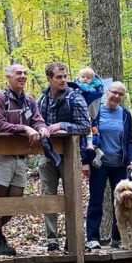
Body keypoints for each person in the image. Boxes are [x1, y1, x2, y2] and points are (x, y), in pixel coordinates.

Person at [0, 63, 49, 256]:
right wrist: (24, 129)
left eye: (25, 73)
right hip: (0, 155)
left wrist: (42, 127)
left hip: (20, 157)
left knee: (15, 202)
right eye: (19, 73)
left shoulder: (29, 101)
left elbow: (36, 118)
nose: (23, 76)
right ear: (8, 77)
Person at [37, 63, 90, 252]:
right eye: (59, 77)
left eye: (65, 76)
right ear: (49, 79)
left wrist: (62, 125)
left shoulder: (75, 98)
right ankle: (52, 239)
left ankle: (72, 238)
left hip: (69, 156)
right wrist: (41, 128)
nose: (63, 80)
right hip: (46, 155)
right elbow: (36, 121)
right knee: (48, 196)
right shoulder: (41, 100)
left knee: (71, 196)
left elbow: (85, 126)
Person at [83, 81, 132, 251]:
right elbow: (86, 137)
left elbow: (129, 140)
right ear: (107, 91)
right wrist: (85, 161)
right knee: (96, 200)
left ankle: (117, 238)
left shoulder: (125, 114)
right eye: (114, 92)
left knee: (121, 202)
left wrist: (131, 158)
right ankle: (92, 238)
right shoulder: (96, 112)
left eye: (120, 94)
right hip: (99, 163)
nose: (116, 96)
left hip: (119, 163)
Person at [75, 66, 105, 165]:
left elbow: (87, 91)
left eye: (88, 78)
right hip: (78, 114)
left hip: (89, 114)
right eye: (83, 76)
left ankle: (90, 147)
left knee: (91, 130)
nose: (85, 79)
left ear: (92, 79)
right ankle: (93, 152)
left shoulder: (93, 88)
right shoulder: (74, 86)